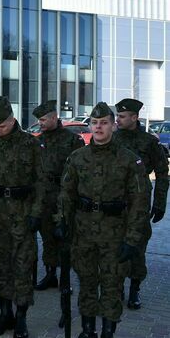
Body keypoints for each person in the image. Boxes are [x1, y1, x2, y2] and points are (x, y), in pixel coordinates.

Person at [57, 102, 149, 338]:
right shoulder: (77, 158)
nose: (98, 127)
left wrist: (133, 239)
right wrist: (61, 222)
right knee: (87, 284)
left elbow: (139, 201)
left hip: (115, 234)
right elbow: (66, 194)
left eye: (104, 123)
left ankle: (108, 333)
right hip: (83, 232)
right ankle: (88, 331)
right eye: (95, 123)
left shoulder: (129, 160)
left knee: (111, 286)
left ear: (113, 126)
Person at [0, 96, 44, 337]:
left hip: (23, 214)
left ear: (13, 120)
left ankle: (21, 316)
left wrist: (36, 213)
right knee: (2, 266)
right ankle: (5, 312)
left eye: (2, 125)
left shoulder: (30, 144)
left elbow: (40, 181)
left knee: (23, 266)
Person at [114, 98, 168, 309]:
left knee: (137, 245)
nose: (117, 119)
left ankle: (135, 289)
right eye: (117, 116)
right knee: (115, 244)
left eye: (122, 116)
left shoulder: (149, 142)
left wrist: (160, 203)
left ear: (134, 118)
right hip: (114, 201)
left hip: (139, 201)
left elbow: (163, 173)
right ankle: (116, 288)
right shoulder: (112, 139)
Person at [32, 100, 84, 291]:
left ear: (54, 117)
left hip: (64, 196)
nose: (40, 123)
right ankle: (50, 274)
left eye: (44, 119)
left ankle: (65, 279)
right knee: (47, 237)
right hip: (44, 197)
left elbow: (78, 172)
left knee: (65, 238)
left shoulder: (72, 140)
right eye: (39, 120)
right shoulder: (38, 141)